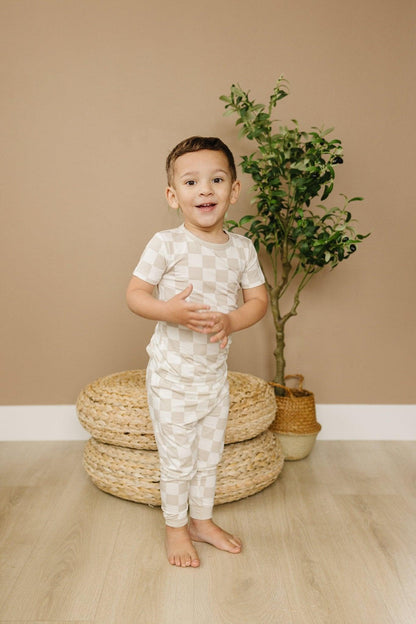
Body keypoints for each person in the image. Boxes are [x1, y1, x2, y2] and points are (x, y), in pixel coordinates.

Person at [126, 136, 268, 568]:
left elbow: (258, 301)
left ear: (234, 190)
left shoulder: (242, 249)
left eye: (216, 180)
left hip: (213, 377)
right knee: (178, 458)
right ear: (173, 196)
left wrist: (231, 321)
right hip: (172, 376)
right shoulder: (166, 244)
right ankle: (176, 528)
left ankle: (202, 521)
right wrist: (167, 311)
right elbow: (135, 294)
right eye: (191, 182)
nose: (205, 189)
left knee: (209, 455)